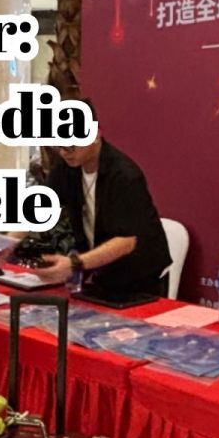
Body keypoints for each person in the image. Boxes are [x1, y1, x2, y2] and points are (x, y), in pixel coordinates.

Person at [31, 100, 172, 295]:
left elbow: (126, 241)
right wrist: (8, 242)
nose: (64, 152)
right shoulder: (67, 168)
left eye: (70, 145)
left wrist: (74, 263)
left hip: (139, 278)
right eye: (59, 145)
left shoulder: (124, 175)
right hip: (100, 273)